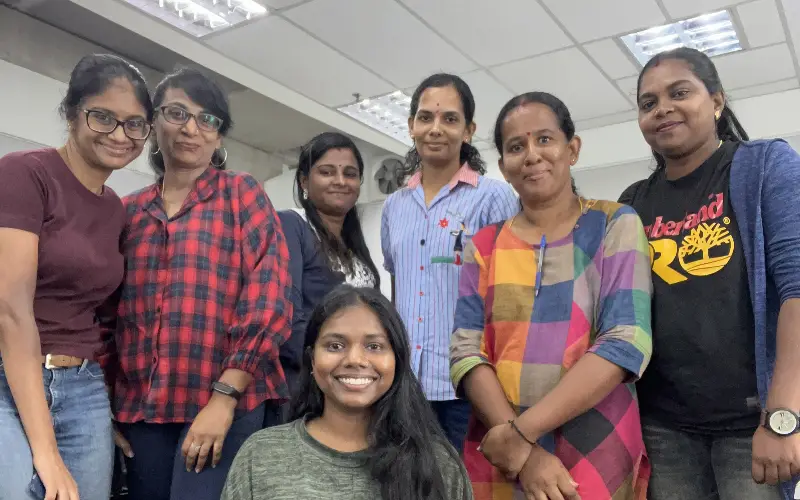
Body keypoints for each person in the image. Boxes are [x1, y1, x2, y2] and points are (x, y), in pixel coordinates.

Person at [451, 92, 653, 500]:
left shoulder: (615, 222)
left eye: (545, 139)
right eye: (515, 147)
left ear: (572, 149)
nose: (531, 154)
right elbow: (466, 353)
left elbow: (625, 342)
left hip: (595, 439)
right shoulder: (482, 246)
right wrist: (524, 455)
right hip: (501, 450)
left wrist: (521, 435)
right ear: (504, 168)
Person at [618, 47, 800, 500]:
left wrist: (783, 416)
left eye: (679, 92)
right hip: (663, 427)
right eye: (648, 103)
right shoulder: (634, 201)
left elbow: (797, 289)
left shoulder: (763, 166)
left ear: (716, 101)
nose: (663, 108)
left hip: (750, 423)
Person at [107, 67, 292, 500]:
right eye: (177, 113)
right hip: (142, 410)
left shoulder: (241, 194)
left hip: (225, 402)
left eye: (207, 119)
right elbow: (106, 311)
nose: (191, 128)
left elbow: (270, 297)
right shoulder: (128, 212)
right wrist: (105, 406)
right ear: (154, 122)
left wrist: (224, 396)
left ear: (219, 136)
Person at [0, 54, 153, 500]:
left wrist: (107, 411)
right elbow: (11, 311)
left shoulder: (115, 210)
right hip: (10, 375)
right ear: (71, 113)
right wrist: (46, 452)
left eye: (134, 124)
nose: (120, 135)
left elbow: (103, 317)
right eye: (103, 117)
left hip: (81, 386)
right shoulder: (25, 173)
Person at [221, 285, 472, 500]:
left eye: (374, 346)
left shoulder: (438, 463)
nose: (354, 359)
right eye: (335, 346)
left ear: (397, 360)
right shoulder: (261, 454)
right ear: (311, 360)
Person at [380, 73, 518, 452]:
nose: (435, 129)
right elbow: (399, 284)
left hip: (468, 382)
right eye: (425, 118)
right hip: (404, 384)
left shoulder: (493, 198)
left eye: (450, 119)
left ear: (469, 130)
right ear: (411, 127)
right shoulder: (394, 206)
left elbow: (510, 295)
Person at [278, 132, 380, 395]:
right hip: (309, 382)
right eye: (326, 172)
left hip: (355, 379)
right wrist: (329, 365)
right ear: (304, 181)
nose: (340, 181)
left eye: (350, 173)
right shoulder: (292, 225)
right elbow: (287, 316)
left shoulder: (354, 242)